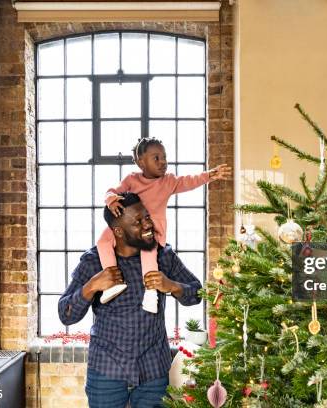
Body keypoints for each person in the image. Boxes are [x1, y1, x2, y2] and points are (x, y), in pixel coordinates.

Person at [58, 192, 202, 408]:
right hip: (107, 372)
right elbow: (66, 314)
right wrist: (92, 286)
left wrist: (171, 285)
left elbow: (197, 294)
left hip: (153, 371)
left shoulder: (163, 256)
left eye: (147, 217)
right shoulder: (93, 261)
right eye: (137, 222)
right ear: (118, 231)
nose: (147, 224)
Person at [98, 136, 230, 310]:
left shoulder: (168, 181)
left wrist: (208, 176)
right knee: (103, 241)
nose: (162, 162)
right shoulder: (131, 179)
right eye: (156, 158)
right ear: (141, 162)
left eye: (164, 157)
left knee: (148, 252)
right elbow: (112, 190)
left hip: (151, 228)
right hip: (129, 229)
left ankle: (151, 295)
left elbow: (189, 181)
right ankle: (112, 283)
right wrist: (112, 200)